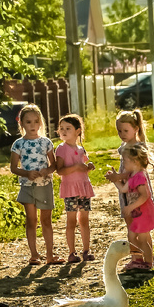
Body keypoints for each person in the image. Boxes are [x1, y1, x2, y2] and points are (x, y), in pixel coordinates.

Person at [105, 109, 154, 268]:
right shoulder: (125, 147)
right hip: (128, 195)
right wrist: (117, 178)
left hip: (137, 196)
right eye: (119, 130)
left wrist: (118, 177)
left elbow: (134, 173)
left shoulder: (137, 149)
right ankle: (141, 258)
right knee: (133, 228)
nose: (122, 134)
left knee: (141, 230)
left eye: (125, 130)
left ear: (136, 129)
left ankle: (143, 259)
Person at [9, 104, 58, 265]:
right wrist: (27, 173)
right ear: (21, 123)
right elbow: (13, 168)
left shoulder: (46, 142)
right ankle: (34, 254)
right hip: (27, 186)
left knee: (46, 220)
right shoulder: (18, 144)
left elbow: (54, 165)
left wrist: (46, 171)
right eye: (28, 122)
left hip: (44, 185)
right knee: (31, 220)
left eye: (36, 122)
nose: (32, 125)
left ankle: (50, 254)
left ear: (40, 123)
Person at [53, 113, 95, 263]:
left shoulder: (81, 149)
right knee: (71, 221)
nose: (63, 131)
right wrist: (77, 166)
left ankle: (86, 250)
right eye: (61, 128)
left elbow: (82, 168)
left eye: (68, 128)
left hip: (83, 188)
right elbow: (60, 170)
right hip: (70, 189)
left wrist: (88, 167)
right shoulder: (61, 149)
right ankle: (71, 252)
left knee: (84, 220)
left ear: (77, 131)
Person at [120, 144, 154, 269]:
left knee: (142, 239)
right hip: (137, 214)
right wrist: (114, 179)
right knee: (132, 236)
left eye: (125, 160)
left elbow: (144, 196)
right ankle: (138, 259)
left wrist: (130, 207)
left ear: (135, 162)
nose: (123, 163)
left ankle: (148, 262)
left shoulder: (140, 176)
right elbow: (123, 189)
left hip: (144, 213)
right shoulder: (132, 176)